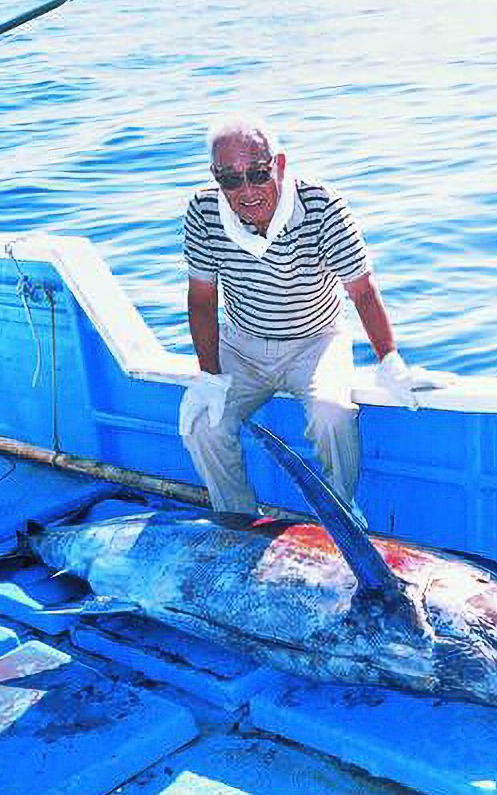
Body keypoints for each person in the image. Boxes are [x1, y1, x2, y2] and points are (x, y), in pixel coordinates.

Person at [178, 115, 439, 515]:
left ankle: (340, 514)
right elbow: (201, 299)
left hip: (317, 340)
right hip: (242, 343)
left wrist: (390, 361)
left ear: (279, 165)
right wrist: (210, 376)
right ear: (216, 177)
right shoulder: (202, 211)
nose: (246, 190)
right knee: (203, 427)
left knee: (333, 415)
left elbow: (362, 289)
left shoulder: (322, 204)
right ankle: (236, 522)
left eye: (258, 173)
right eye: (230, 179)